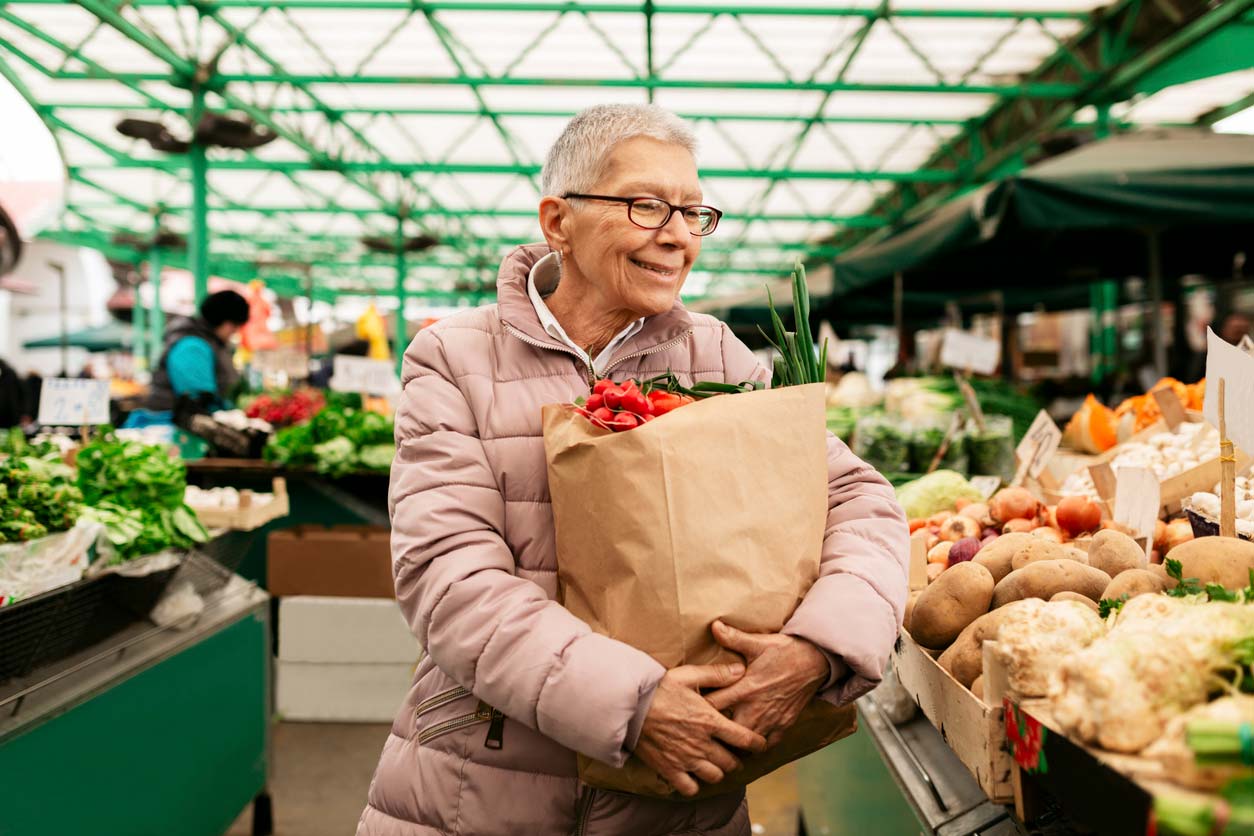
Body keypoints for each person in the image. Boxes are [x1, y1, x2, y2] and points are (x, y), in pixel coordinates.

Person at [358, 105, 909, 836]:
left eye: (693, 212)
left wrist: (819, 648)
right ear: (559, 221)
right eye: (648, 206)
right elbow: (448, 578)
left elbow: (861, 502)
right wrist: (632, 702)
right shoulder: (456, 358)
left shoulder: (714, 356)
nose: (678, 236)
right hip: (484, 777)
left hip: (680, 794)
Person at [145, 290, 249, 412]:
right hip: (171, 422)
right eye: (234, 327)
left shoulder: (209, 342)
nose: (234, 333)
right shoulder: (193, 346)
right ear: (226, 323)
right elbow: (198, 398)